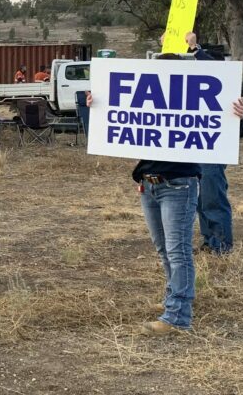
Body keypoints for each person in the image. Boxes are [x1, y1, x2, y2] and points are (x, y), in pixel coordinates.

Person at [86, 54, 204, 336]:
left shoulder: (193, 99)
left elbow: (220, 120)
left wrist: (235, 111)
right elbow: (117, 129)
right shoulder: (148, 99)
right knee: (165, 251)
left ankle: (178, 317)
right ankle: (174, 301)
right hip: (149, 185)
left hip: (179, 185)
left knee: (178, 252)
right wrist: (97, 106)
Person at [186, 32, 233, 254]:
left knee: (213, 197)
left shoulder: (222, 80)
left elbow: (215, 70)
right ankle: (210, 241)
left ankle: (221, 245)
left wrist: (196, 50)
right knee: (203, 199)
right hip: (198, 147)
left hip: (213, 148)